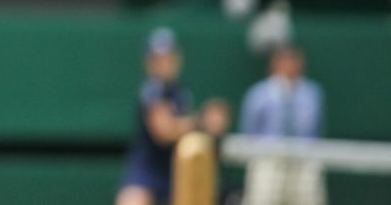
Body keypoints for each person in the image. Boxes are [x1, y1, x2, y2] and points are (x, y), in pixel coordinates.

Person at [116, 28, 230, 205]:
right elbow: (164, 132)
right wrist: (202, 121)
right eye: (159, 58)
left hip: (177, 170)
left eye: (169, 57)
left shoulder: (181, 91)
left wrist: (214, 122)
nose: (165, 63)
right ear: (149, 62)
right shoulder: (151, 90)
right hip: (147, 170)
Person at [239, 45, 326, 205]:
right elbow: (249, 131)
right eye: (284, 60)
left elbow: (316, 131)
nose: (289, 65)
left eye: (293, 60)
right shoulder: (258, 94)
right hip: (269, 160)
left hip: (303, 160)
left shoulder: (312, 93)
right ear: (275, 64)